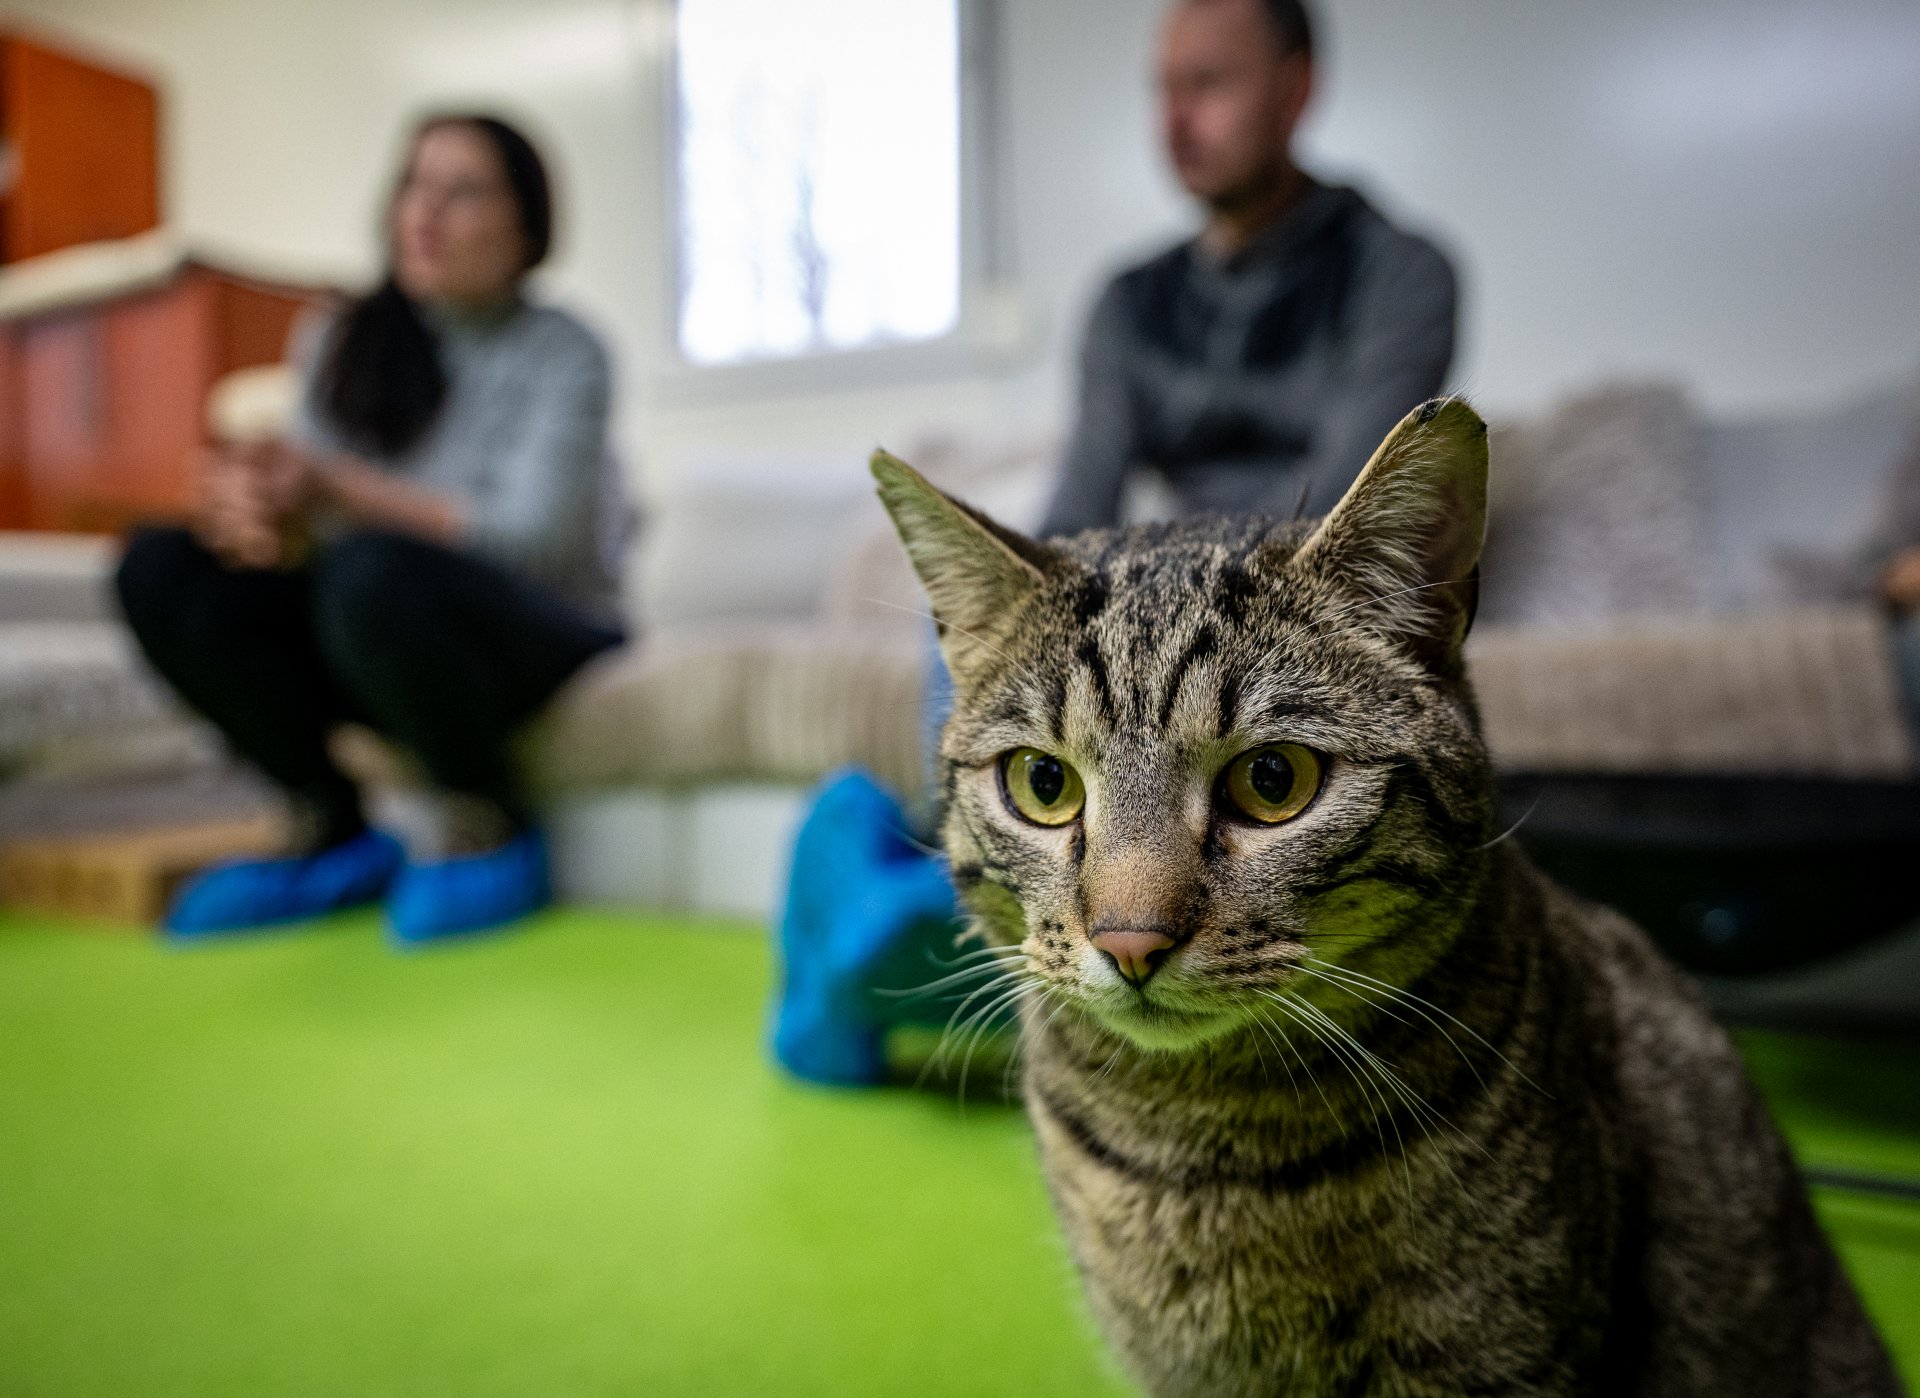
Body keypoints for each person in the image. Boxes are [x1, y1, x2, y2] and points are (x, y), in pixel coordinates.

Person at [115, 113, 627, 944]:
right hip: (373, 619)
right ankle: (328, 823)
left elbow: (537, 543)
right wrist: (260, 518)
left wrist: (337, 490)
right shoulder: (340, 337)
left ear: (526, 226)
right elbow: (314, 543)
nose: (425, 212)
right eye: (414, 185)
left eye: (463, 192)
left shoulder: (566, 352)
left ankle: (486, 817)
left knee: (373, 571)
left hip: (532, 630)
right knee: (162, 565)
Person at [1042, 0, 1458, 535]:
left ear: (1294, 91)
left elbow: (1344, 514)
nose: (1174, 123)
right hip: (1178, 573)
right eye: (1165, 88)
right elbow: (1075, 514)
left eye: (1208, 83)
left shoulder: (1399, 276)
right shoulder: (1127, 303)